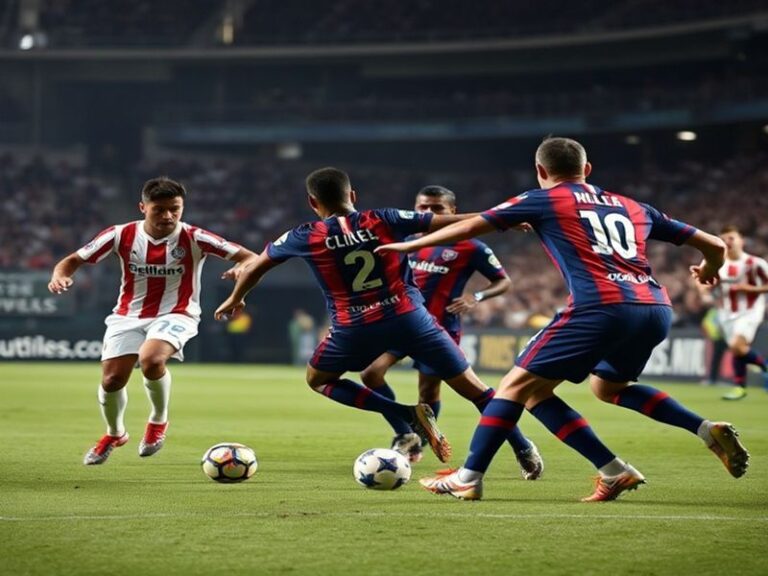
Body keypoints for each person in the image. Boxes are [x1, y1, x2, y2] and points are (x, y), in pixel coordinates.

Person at [377, 136, 750, 501]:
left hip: (600, 307)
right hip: (654, 308)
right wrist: (707, 269)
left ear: (540, 170)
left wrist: (410, 244)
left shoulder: (542, 198)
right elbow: (715, 245)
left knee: (513, 388)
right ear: (587, 169)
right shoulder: (633, 205)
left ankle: (467, 477)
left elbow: (474, 226)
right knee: (605, 389)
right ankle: (669, 445)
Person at [215, 167, 529, 463]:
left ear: (313, 202)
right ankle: (525, 450)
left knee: (319, 379)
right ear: (353, 196)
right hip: (410, 319)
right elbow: (451, 222)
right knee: (476, 389)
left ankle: (405, 415)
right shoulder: (384, 219)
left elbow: (256, 266)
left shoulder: (302, 235)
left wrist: (235, 298)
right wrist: (502, 218)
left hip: (355, 327)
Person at [48, 177, 256, 465]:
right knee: (112, 380)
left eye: (175, 209)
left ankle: (158, 421)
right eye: (160, 209)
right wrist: (60, 275)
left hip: (178, 312)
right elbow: (71, 260)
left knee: (151, 359)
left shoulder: (195, 236)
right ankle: (115, 433)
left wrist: (240, 269)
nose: (168, 216)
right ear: (143, 207)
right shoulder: (120, 235)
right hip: (127, 315)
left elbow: (251, 258)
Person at [360, 185, 543, 480]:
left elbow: (503, 281)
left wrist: (476, 298)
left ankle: (522, 447)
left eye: (436, 208)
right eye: (423, 207)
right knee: (371, 374)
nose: (428, 213)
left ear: (452, 212)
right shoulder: (403, 239)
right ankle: (407, 436)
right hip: (403, 324)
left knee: (443, 391)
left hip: (438, 330)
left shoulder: (470, 246)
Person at [703, 225, 768, 400]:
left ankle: (765, 368)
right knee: (738, 350)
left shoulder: (756, 263)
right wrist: (706, 290)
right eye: (723, 239)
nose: (727, 242)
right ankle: (740, 388)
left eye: (731, 238)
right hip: (725, 314)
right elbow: (704, 284)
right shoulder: (717, 263)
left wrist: (751, 289)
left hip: (750, 310)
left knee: (736, 347)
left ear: (741, 240)